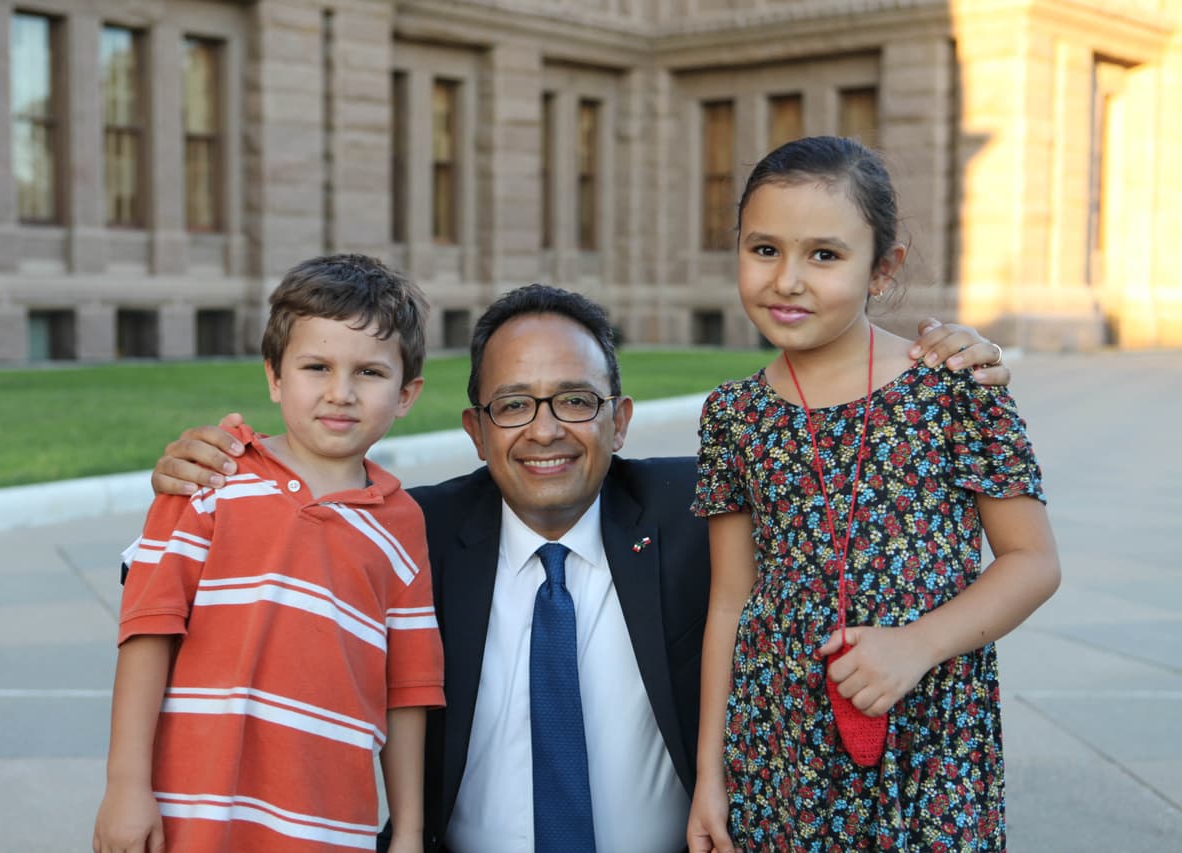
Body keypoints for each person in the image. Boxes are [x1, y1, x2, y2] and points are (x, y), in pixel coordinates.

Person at [148, 288, 1011, 853]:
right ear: (476, 429)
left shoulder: (700, 513)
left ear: (623, 418)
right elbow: (244, 574)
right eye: (514, 405)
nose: (547, 429)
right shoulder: (409, 532)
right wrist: (211, 470)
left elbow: (841, 470)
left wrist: (942, 356)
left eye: (577, 400)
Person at [687, 136, 1060, 853]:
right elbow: (731, 599)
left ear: (881, 270)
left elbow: (1033, 561)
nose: (787, 279)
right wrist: (711, 773)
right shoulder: (732, 413)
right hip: (779, 750)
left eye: (824, 255)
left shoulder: (954, 385)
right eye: (764, 249)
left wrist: (917, 644)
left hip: (928, 742)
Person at [95, 255, 445, 853]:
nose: (341, 393)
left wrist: (409, 832)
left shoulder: (402, 524)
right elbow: (147, 631)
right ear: (275, 377)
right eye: (316, 366)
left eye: (369, 373)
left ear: (406, 392)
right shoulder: (210, 478)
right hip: (190, 811)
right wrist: (125, 786)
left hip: (329, 823)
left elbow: (408, 687)